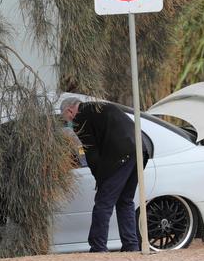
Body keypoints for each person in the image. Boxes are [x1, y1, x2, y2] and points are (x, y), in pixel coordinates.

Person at [60, 97, 152, 252]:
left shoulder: (80, 117)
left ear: (70, 110)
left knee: (103, 202)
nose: (69, 121)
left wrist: (99, 178)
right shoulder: (99, 106)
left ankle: (98, 246)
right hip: (139, 150)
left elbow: (91, 152)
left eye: (66, 117)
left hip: (120, 155)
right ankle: (131, 245)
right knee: (125, 201)